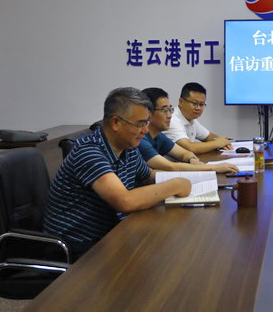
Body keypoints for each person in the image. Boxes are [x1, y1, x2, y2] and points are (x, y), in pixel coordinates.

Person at [43, 87, 191, 259]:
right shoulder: (89, 151)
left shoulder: (128, 146)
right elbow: (124, 201)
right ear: (115, 123)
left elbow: (148, 176)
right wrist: (175, 185)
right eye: (140, 124)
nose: (145, 130)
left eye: (147, 123)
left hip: (110, 235)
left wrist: (186, 179)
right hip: (76, 247)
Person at [140, 87, 238, 174]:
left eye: (170, 110)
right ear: (148, 113)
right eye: (164, 110)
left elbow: (184, 153)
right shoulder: (140, 139)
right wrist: (213, 167)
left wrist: (192, 159)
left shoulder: (159, 136)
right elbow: (170, 166)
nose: (169, 115)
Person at [164, 82, 233, 154]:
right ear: (181, 102)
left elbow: (208, 136)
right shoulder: (171, 120)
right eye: (194, 103)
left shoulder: (191, 119)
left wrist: (222, 142)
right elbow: (190, 148)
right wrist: (217, 143)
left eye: (201, 104)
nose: (198, 108)